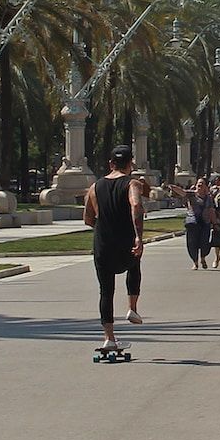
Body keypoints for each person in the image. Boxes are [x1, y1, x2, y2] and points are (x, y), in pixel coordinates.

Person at [86, 146, 146, 353]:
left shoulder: (95, 187)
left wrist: (104, 227)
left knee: (106, 291)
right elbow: (136, 206)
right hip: (125, 242)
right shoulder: (132, 183)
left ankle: (109, 338)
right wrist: (138, 236)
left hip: (102, 245)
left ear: (111, 163)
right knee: (134, 266)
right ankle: (132, 309)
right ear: (131, 164)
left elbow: (87, 218)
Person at [182, 176, 214, 270]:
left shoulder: (209, 198)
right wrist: (173, 187)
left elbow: (211, 211)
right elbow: (182, 192)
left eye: (202, 184)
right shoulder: (191, 195)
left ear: (206, 187)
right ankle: (195, 262)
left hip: (205, 223)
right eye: (198, 183)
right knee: (192, 243)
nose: (200, 185)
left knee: (205, 243)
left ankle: (203, 258)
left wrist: (215, 223)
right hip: (193, 223)